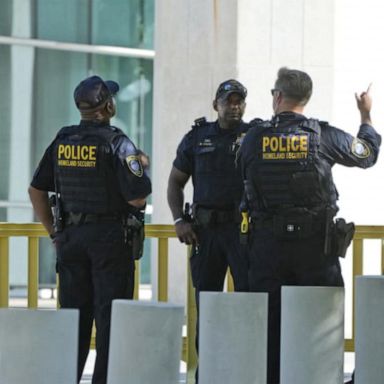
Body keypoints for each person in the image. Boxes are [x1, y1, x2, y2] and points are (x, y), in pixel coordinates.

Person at [237, 67, 381, 384]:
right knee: (321, 322)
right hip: (315, 247)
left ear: (277, 96)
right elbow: (367, 154)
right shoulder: (322, 136)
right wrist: (365, 115)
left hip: (267, 248)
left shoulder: (253, 138)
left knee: (269, 325)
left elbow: (243, 174)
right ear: (306, 98)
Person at [28, 75, 151, 384]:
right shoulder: (118, 142)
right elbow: (137, 196)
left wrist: (55, 233)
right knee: (110, 322)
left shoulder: (63, 140)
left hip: (70, 239)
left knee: (73, 322)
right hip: (109, 242)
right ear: (108, 106)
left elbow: (36, 190)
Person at [167, 79, 253, 381]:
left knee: (249, 303)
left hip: (243, 233)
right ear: (215, 104)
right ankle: (208, 373)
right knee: (208, 304)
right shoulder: (197, 138)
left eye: (239, 100)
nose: (234, 106)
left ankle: (245, 371)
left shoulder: (253, 135)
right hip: (205, 233)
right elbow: (175, 182)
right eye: (228, 101)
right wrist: (179, 220)